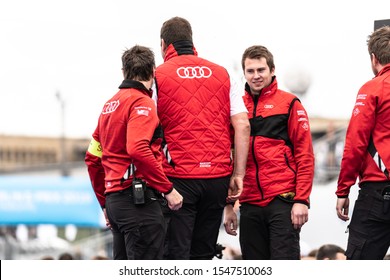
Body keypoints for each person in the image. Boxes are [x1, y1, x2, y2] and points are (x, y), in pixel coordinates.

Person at [154, 16, 250, 260]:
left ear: (164, 44)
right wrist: (238, 174)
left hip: (178, 177)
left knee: (176, 254)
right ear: (191, 41)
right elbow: (242, 125)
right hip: (217, 178)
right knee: (203, 254)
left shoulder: (158, 75)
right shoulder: (223, 73)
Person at [85, 45, 183, 260]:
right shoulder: (142, 102)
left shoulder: (109, 106)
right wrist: (168, 190)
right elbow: (137, 148)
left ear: (123, 72)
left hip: (115, 205)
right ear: (153, 71)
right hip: (138, 203)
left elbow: (93, 159)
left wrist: (105, 203)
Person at [224, 45, 315, 260]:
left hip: (282, 201)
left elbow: (305, 155)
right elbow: (226, 157)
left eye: (261, 70)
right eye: (251, 71)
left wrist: (302, 200)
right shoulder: (236, 107)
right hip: (248, 203)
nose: (256, 76)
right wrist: (228, 205)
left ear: (272, 70)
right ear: (244, 72)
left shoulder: (290, 104)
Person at [336, 26, 390, 260]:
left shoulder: (372, 89)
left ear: (373, 58)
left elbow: (355, 143)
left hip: (379, 191)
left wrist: (343, 189)